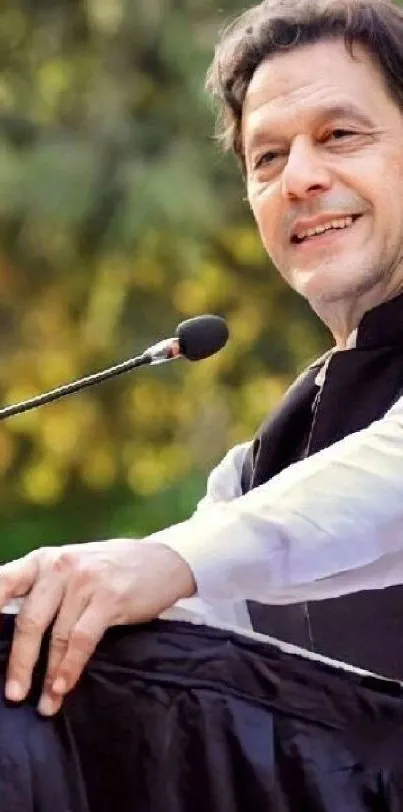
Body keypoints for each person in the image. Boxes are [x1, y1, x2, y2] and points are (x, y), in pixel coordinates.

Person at [4, 0, 403, 719]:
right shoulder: (254, 475)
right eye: (268, 157)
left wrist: (173, 559)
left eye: (339, 135)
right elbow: (181, 654)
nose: (299, 179)